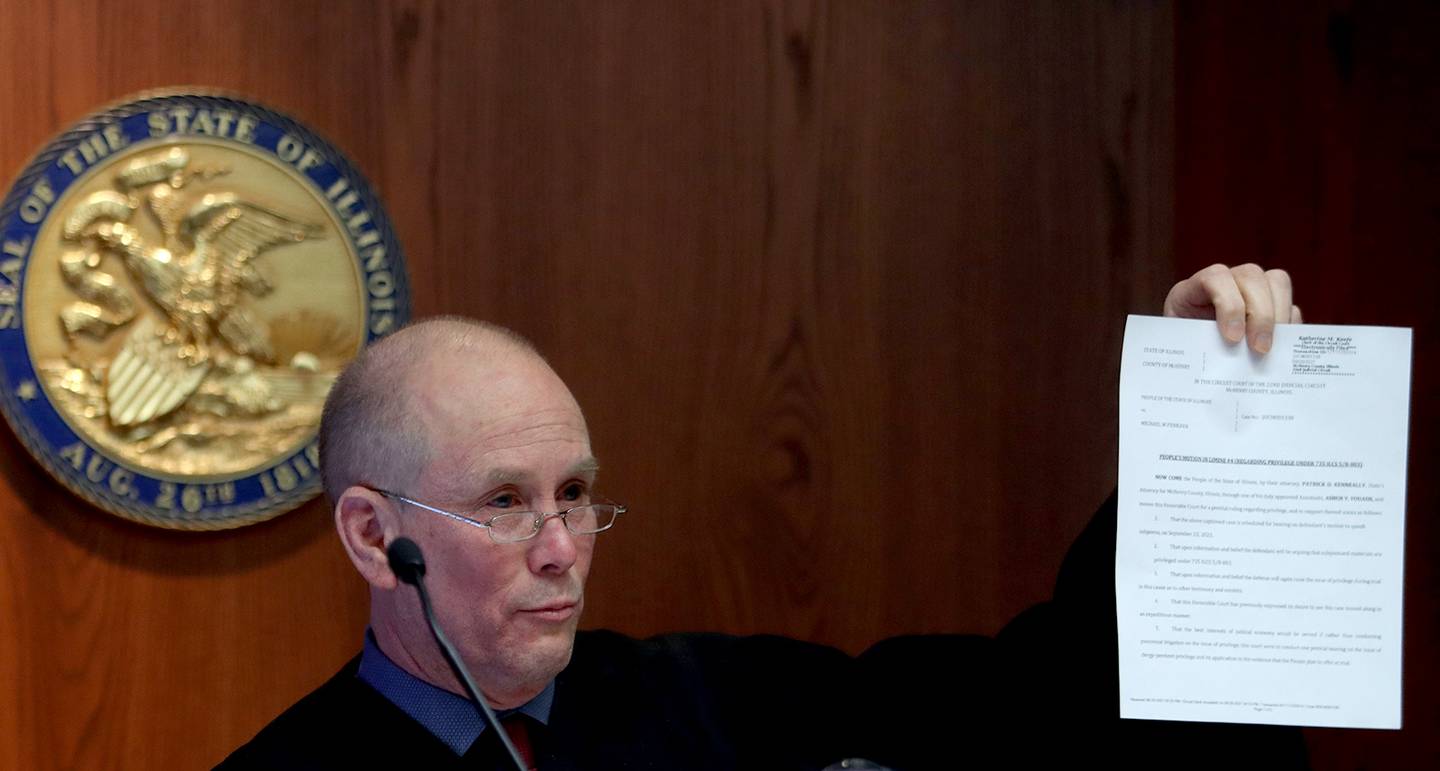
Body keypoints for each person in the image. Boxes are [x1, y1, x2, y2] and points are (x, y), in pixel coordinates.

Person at [217, 264, 1309, 769]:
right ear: (372, 536)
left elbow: (1045, 699)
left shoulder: (710, 704)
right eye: (505, 504)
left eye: (577, 496)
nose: (561, 551)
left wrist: (1201, 431)